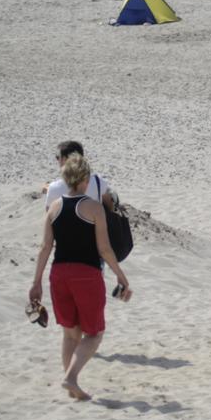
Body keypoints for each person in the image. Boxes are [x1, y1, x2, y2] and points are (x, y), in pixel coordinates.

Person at [28, 153, 131, 402]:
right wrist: (121, 276)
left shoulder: (54, 208)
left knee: (69, 334)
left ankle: (73, 388)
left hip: (59, 274)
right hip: (86, 273)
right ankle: (72, 378)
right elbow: (105, 249)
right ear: (85, 179)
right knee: (94, 334)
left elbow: (44, 248)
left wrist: (36, 282)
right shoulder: (94, 208)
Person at [45, 141, 115, 212]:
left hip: (66, 222)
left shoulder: (53, 188)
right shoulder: (98, 181)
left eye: (58, 157)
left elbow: (49, 214)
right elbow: (109, 205)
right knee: (112, 195)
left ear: (65, 159)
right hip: (95, 220)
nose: (58, 160)